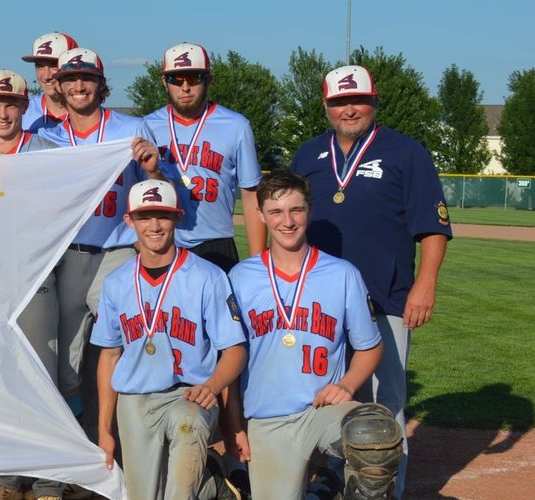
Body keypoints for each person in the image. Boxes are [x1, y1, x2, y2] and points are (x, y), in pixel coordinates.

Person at [288, 64, 450, 498]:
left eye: (357, 99)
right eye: (339, 101)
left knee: (384, 404)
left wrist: (426, 283)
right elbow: (285, 222)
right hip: (317, 306)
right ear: (326, 106)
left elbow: (432, 227)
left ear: (374, 101)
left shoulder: (405, 152)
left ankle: (384, 491)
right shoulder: (307, 155)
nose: (349, 109)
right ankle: (333, 481)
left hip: (385, 298)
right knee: (320, 399)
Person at [35, 47, 167, 500]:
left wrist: (153, 167)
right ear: (58, 85)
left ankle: (126, 461)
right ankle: (74, 460)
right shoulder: (46, 134)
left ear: (100, 83)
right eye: (71, 79)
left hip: (116, 252)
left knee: (129, 358)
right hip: (67, 255)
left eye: (87, 78)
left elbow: (161, 193)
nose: (78, 86)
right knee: (68, 369)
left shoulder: (130, 128)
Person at [226, 170, 403, 500]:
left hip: (323, 412)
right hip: (268, 419)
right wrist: (235, 424)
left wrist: (348, 384)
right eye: (276, 212)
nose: (287, 221)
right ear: (260, 215)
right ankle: (323, 489)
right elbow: (231, 362)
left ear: (309, 210)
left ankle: (332, 485)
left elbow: (369, 347)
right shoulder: (241, 278)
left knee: (374, 435)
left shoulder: (342, 274)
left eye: (296, 210)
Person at [91, 179, 246, 500]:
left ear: (177, 217)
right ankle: (209, 484)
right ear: (129, 221)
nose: (154, 226)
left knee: (179, 486)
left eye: (162, 216)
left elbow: (234, 350)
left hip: (188, 396)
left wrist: (213, 386)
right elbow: (109, 357)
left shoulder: (207, 275)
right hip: (135, 399)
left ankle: (198, 483)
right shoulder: (117, 282)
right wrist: (104, 429)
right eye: (145, 217)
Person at [0, 69, 61, 500]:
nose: (2, 113)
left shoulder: (47, 152)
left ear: (26, 107)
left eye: (11, 104)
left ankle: (47, 479)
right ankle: (7, 478)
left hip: (36, 280)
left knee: (42, 377)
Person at [142, 43, 264, 268]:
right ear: (164, 83)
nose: (185, 87)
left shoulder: (236, 125)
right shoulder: (146, 126)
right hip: (164, 242)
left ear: (209, 80)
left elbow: (250, 195)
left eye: (194, 78)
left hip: (217, 242)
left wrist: (258, 264)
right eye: (176, 79)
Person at [19, 32, 78, 131]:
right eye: (40, 66)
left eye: (54, 65)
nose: (46, 76)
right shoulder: (22, 111)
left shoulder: (92, 116)